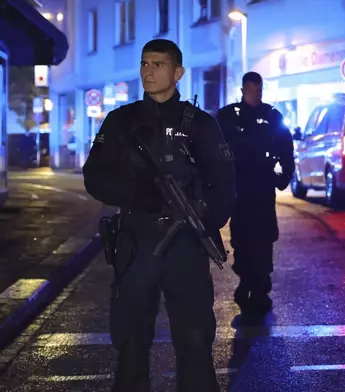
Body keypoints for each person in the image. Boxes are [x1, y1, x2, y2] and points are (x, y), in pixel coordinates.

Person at [82, 39, 235, 392]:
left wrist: (204, 221)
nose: (148, 71)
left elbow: (226, 184)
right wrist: (137, 194)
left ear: (177, 73)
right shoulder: (122, 121)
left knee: (195, 341)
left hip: (185, 244)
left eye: (158, 64)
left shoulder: (200, 124)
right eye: (144, 64)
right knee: (132, 340)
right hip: (136, 242)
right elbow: (95, 176)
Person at [216, 71, 294, 323]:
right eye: (251, 90)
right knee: (241, 239)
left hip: (261, 187)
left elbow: (286, 151)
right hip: (239, 189)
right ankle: (245, 284)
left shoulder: (272, 117)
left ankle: (260, 290)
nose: (254, 94)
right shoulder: (228, 116)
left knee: (262, 240)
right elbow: (215, 150)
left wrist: (283, 178)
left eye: (258, 90)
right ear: (243, 90)